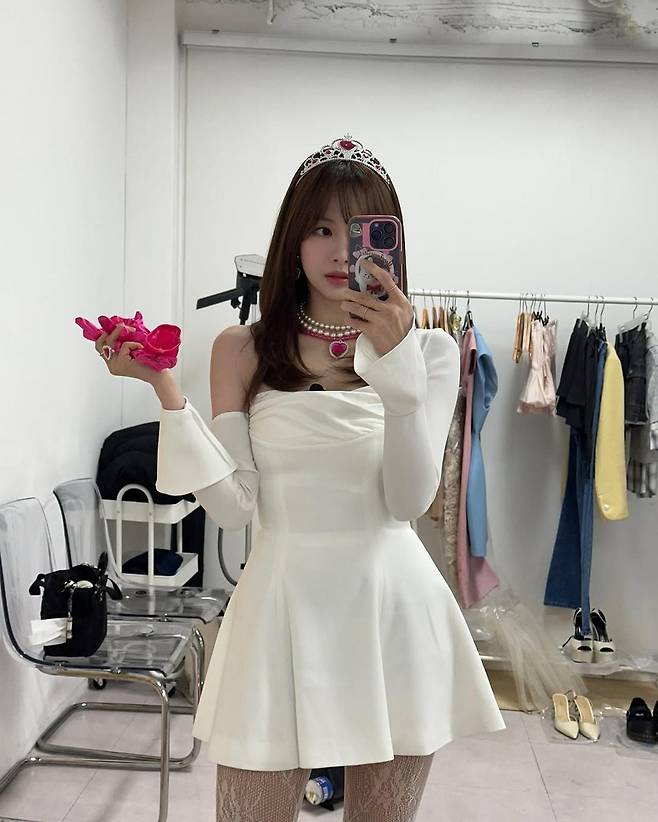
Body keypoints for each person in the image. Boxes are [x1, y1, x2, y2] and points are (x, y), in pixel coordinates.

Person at [92, 135, 506, 822]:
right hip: (278, 604)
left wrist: (397, 368)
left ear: (390, 240)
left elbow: (407, 501)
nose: (341, 250)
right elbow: (234, 506)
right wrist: (164, 390)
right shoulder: (242, 349)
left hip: (390, 606)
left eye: (359, 229)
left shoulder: (429, 351)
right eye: (320, 229)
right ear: (293, 240)